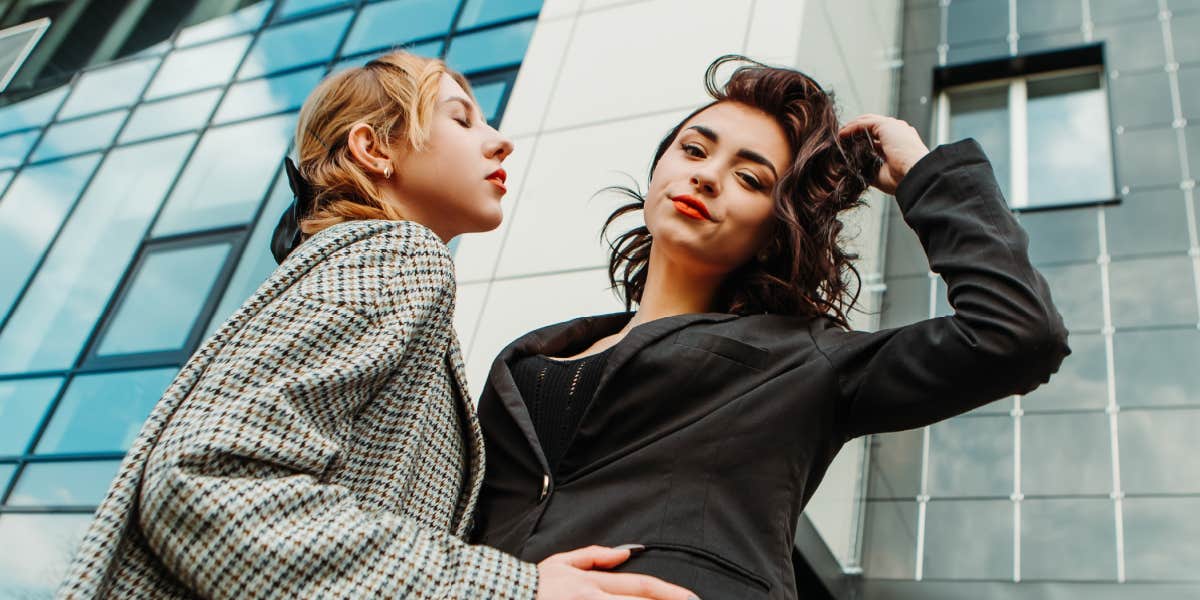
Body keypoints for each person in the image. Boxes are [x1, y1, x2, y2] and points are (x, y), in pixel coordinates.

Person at [57, 51, 696, 600]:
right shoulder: (398, 256)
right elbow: (209, 481)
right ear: (373, 148)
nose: (499, 139)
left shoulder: (364, 268)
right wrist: (515, 588)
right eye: (461, 117)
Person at [472, 55, 1071, 599]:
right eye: (694, 150)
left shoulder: (803, 361)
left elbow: (1017, 334)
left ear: (776, 227)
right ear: (658, 169)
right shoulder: (525, 364)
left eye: (751, 179)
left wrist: (922, 172)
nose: (707, 177)